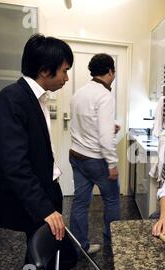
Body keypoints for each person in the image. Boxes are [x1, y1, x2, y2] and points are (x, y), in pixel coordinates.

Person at [0, 34, 77, 270]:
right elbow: (14, 164)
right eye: (64, 70)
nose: (66, 78)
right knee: (38, 256)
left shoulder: (37, 98)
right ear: (44, 70)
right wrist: (43, 208)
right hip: (34, 198)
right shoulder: (12, 99)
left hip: (47, 190)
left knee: (51, 256)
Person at [69, 53, 120, 254]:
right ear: (110, 71)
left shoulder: (79, 93)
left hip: (76, 155)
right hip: (96, 160)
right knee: (113, 199)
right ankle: (113, 245)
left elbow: (82, 124)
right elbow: (105, 139)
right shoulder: (105, 96)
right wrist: (112, 163)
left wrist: (109, 127)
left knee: (80, 202)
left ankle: (79, 247)